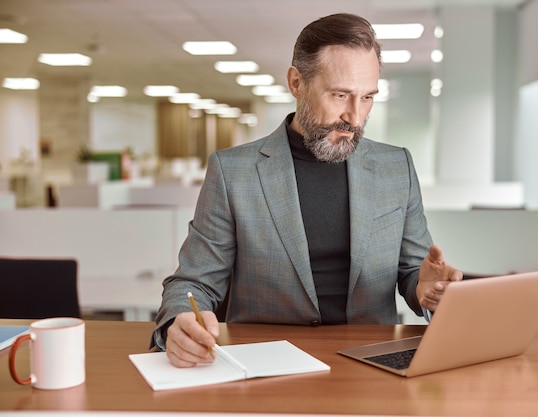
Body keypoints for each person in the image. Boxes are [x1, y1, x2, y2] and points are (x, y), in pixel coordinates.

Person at [152, 12, 462, 368]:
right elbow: (194, 282)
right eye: (340, 95)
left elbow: (413, 271)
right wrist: (178, 321)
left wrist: (426, 290)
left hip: (372, 361)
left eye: (367, 98)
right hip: (266, 363)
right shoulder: (233, 172)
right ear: (296, 83)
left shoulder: (396, 167)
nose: (355, 117)